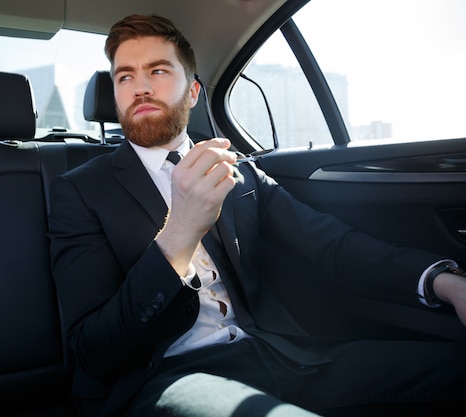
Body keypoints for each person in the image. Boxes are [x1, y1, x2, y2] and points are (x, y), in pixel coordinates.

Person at [48, 14, 466, 417]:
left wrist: (444, 282)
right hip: (165, 378)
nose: (139, 88)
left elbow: (334, 245)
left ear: (193, 92)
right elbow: (93, 351)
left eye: (157, 71)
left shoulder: (239, 171)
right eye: (125, 76)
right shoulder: (80, 190)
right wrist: (179, 233)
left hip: (280, 354)